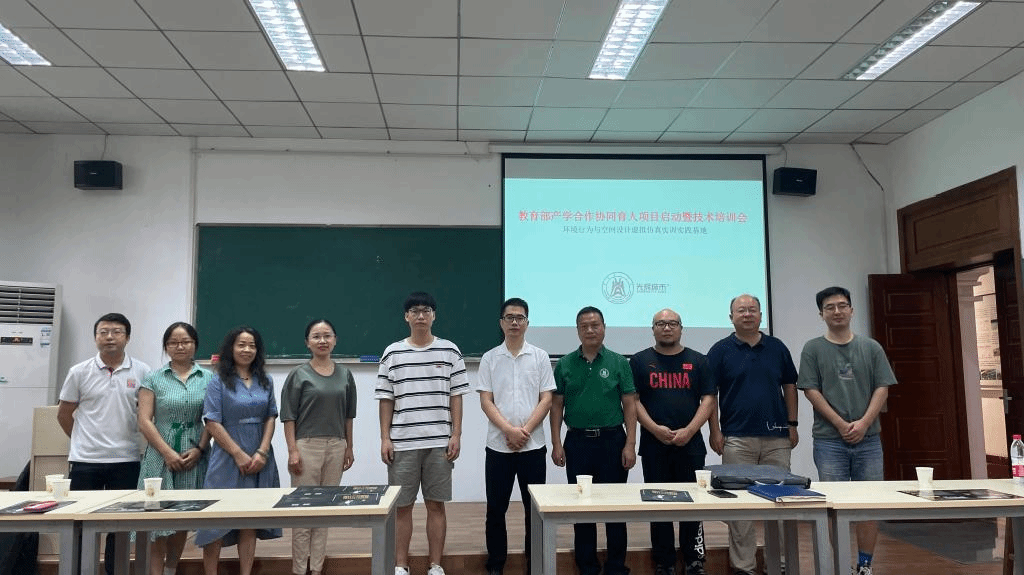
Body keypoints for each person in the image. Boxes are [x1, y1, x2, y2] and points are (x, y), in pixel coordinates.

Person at [797, 286, 897, 575]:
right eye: (830, 307)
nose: (837, 311)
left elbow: (882, 387)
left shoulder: (871, 347)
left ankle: (865, 565)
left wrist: (864, 423)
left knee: (869, 504)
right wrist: (841, 424)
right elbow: (811, 390)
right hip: (830, 440)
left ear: (852, 310)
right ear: (821, 314)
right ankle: (838, 564)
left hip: (869, 439)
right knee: (833, 505)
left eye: (842, 305)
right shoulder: (813, 348)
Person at [376, 292, 470, 575]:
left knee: (436, 505)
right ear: (406, 316)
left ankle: (436, 565)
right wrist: (385, 437)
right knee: (402, 508)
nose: (420, 316)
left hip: (440, 443)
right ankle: (401, 566)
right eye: (415, 311)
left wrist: (456, 434)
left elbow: (456, 397)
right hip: (402, 443)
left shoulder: (450, 351)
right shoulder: (392, 353)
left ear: (434, 315)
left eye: (426, 310)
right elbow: (386, 399)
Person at [706, 295, 798, 575]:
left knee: (780, 503)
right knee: (740, 508)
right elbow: (710, 395)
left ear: (760, 315)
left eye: (752, 310)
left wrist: (792, 424)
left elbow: (790, 386)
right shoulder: (720, 350)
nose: (747, 314)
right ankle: (743, 567)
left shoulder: (777, 347)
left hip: (777, 438)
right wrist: (715, 430)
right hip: (736, 438)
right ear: (731, 317)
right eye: (741, 310)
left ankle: (780, 565)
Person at [57, 312, 150, 575]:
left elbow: (146, 414)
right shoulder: (79, 372)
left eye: (117, 332)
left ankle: (114, 571)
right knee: (80, 523)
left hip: (126, 459)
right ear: (95, 337)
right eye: (103, 332)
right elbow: (64, 414)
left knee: (120, 526)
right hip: (85, 461)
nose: (110, 337)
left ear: (127, 337)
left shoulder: (142, 371)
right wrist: (83, 441)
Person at [550, 306, 637, 575]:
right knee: (582, 508)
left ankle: (616, 567)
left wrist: (630, 444)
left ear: (604, 328)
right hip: (578, 442)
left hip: (612, 441)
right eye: (584, 326)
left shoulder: (619, 362)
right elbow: (556, 406)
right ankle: (587, 566)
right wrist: (556, 443)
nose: (590, 330)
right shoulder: (565, 364)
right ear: (577, 331)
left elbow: (630, 404)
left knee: (615, 509)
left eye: (595, 325)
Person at [630, 309, 714, 575]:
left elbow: (708, 400)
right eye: (661, 323)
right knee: (658, 505)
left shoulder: (699, 361)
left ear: (681, 328)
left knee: (694, 503)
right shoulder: (639, 361)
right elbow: (633, 401)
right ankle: (664, 561)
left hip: (690, 445)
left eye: (672, 323)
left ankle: (694, 559)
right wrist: (654, 429)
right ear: (653, 328)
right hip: (654, 445)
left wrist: (689, 430)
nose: (667, 328)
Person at [476, 297, 555, 575]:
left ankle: (535, 563)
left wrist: (525, 431)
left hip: (533, 447)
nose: (514, 322)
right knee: (496, 509)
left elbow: (546, 399)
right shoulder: (489, 358)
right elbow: (486, 401)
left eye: (519, 318)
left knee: (534, 510)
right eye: (509, 317)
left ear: (527, 323)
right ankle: (496, 564)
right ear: (501, 323)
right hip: (498, 447)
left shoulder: (540, 357)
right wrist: (509, 430)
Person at [195, 326, 281, 575]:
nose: (246, 349)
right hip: (226, 455)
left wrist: (262, 451)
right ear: (231, 348)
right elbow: (212, 421)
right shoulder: (218, 380)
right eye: (241, 344)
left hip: (260, 455)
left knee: (249, 520)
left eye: (252, 345)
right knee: (215, 518)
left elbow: (271, 416)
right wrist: (238, 454)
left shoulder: (266, 380)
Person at [281, 319, 357, 575]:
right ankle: (299, 570)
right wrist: (292, 450)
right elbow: (288, 416)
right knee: (303, 511)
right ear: (307, 342)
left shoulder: (345, 374)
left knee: (325, 510)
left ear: (335, 340)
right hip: (306, 447)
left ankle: (317, 569)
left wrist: (349, 447)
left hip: (337, 446)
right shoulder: (298, 374)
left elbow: (349, 415)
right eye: (316, 336)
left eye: (327, 336)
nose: (322, 341)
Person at [137, 321, 213, 575]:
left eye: (186, 342)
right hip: (160, 452)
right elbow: (144, 420)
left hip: (195, 451)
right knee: (157, 519)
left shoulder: (208, 378)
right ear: (166, 347)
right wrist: (167, 452)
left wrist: (200, 449)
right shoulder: (153, 378)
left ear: (195, 345)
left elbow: (212, 419)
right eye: (173, 342)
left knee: (183, 516)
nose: (180, 347)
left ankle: (171, 569)